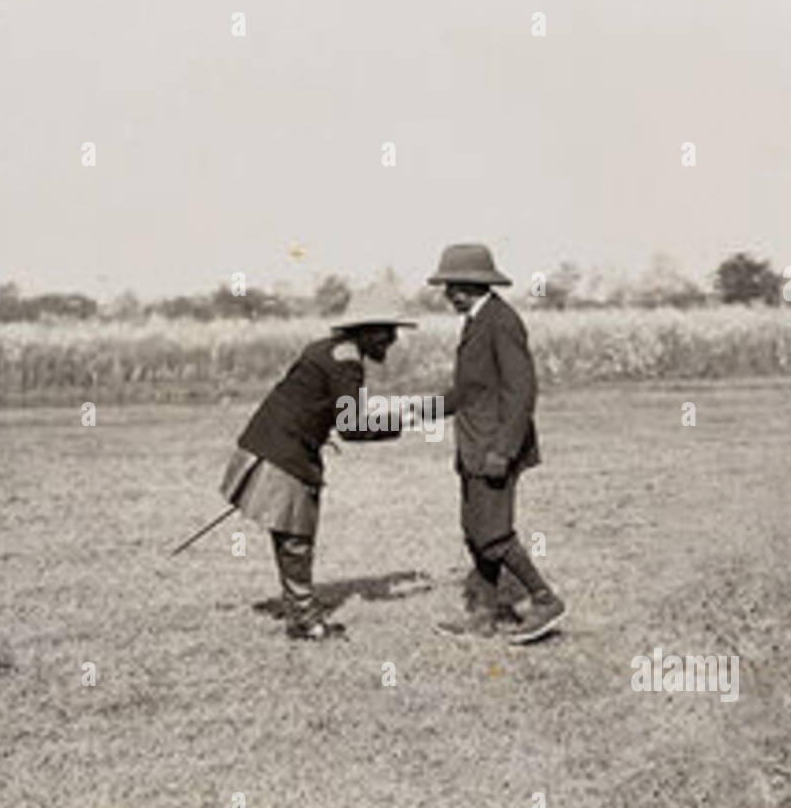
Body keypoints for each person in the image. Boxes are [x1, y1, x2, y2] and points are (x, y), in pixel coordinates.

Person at [220, 307, 414, 640]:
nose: (393, 339)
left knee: (291, 535)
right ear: (366, 330)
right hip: (285, 451)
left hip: (271, 442)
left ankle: (299, 606)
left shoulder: (325, 348)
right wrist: (401, 421)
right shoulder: (347, 361)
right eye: (387, 331)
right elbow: (352, 426)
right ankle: (305, 621)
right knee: (296, 537)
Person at [424, 243, 566, 643]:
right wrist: (415, 411)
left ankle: (544, 599)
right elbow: (467, 393)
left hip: (493, 449)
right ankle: (485, 615)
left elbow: (522, 391)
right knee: (474, 529)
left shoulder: (501, 321)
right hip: (474, 447)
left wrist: (503, 450)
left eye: (452, 285)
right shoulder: (476, 320)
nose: (447, 294)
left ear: (470, 285)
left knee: (493, 533)